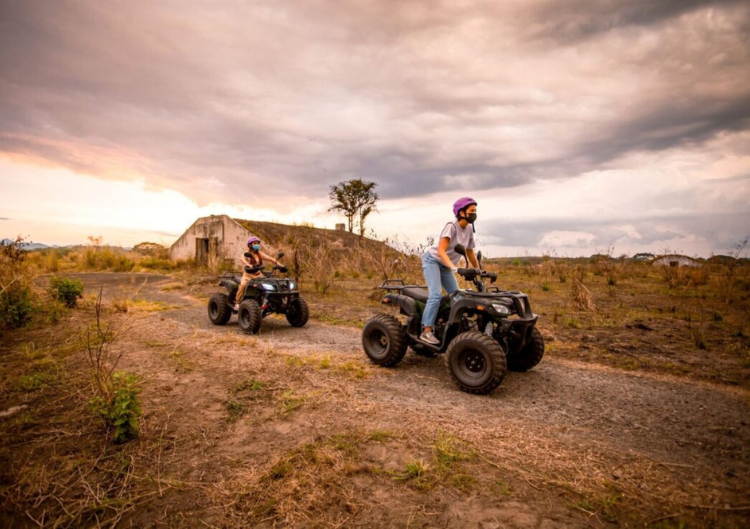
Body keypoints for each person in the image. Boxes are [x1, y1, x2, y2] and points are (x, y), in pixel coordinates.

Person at [419, 197, 480, 345]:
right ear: (461, 212)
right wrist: (454, 267)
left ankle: (445, 322)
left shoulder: (470, 229)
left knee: (457, 296)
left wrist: (478, 269)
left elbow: (470, 251)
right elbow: (441, 250)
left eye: (475, 211)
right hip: (432, 260)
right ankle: (426, 330)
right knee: (435, 295)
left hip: (446, 265)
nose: (474, 214)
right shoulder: (451, 227)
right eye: (471, 211)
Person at [234, 236, 283, 310]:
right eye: (255, 243)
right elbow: (242, 258)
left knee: (270, 284)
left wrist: (281, 265)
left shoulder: (259, 254)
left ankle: (267, 302)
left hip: (259, 275)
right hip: (248, 275)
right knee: (243, 285)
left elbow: (271, 259)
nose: (257, 245)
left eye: (258, 243)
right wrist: (248, 265)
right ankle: (237, 303)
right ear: (250, 245)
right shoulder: (247, 253)